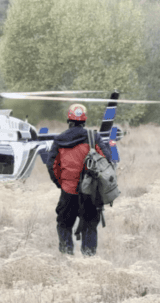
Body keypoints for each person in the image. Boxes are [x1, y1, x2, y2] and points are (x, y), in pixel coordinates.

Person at [47, 103, 112, 256]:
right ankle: (88, 261)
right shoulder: (93, 137)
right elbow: (107, 159)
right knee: (90, 226)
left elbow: (52, 166)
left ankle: (67, 258)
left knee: (64, 224)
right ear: (84, 120)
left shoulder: (59, 140)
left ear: (68, 120)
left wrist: (61, 183)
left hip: (68, 192)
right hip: (90, 193)